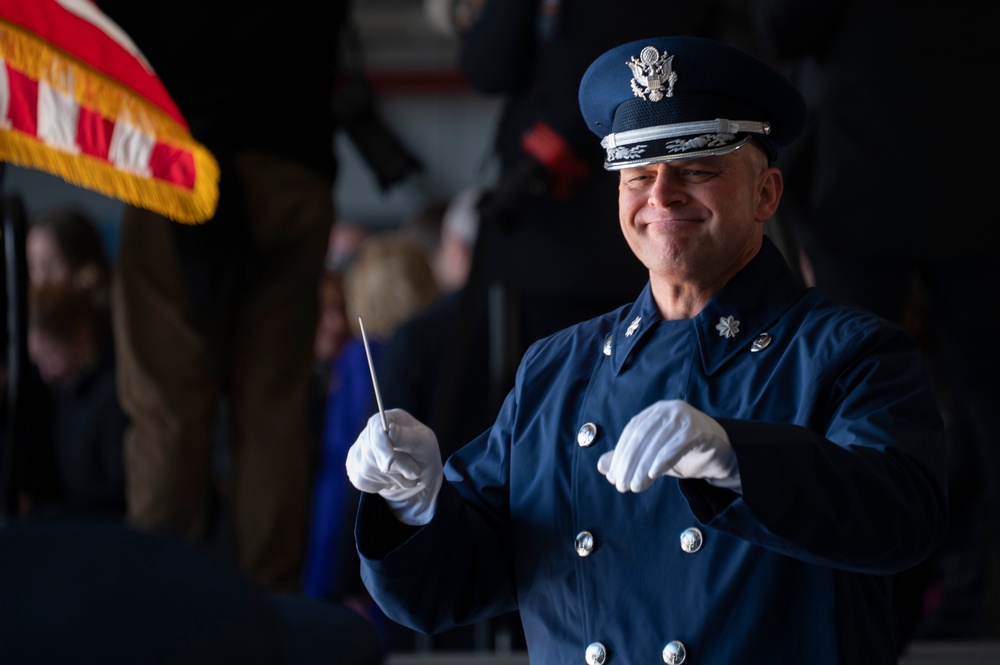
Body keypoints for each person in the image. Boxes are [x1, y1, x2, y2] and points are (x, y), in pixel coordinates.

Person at [344, 36, 948, 663]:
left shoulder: (852, 354)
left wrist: (740, 461)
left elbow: (903, 518)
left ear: (767, 194)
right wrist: (415, 505)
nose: (661, 196)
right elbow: (453, 587)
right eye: (638, 174)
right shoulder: (557, 369)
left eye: (696, 169)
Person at [752, 0, 1000, 644]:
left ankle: (849, 609)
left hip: (867, 165)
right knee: (988, 401)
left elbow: (787, 24)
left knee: (841, 397)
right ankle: (974, 601)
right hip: (977, 161)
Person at [98, 0, 349, 592]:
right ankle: (270, 605)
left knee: (167, 404)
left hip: (179, 158)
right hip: (294, 164)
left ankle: (163, 603)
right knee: (275, 409)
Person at [301, 232, 440, 647]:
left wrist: (342, 576)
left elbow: (348, 473)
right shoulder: (430, 351)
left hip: (351, 542)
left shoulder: (362, 358)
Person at [24, 282, 127, 518]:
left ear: (82, 335)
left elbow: (114, 492)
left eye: (51, 356)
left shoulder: (113, 395)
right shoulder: (62, 391)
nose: (46, 374)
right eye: (38, 361)